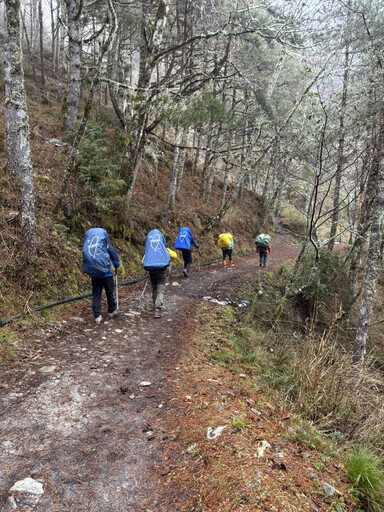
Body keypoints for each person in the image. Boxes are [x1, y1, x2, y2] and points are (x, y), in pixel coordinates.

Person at [83, 227, 120, 324]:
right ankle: (111, 311)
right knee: (109, 292)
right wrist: (116, 265)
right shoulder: (105, 245)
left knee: (96, 294)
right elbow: (114, 255)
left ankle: (97, 316)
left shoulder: (89, 244)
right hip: (106, 273)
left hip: (95, 275)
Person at [143, 229, 176, 318]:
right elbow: (174, 255)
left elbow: (143, 261)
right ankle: (158, 309)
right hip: (161, 273)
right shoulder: (164, 249)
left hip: (151, 273)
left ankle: (155, 304)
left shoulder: (148, 250)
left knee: (154, 289)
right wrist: (168, 261)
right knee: (160, 291)